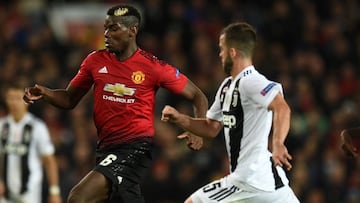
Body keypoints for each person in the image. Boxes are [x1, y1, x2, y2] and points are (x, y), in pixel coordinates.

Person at [23, 4, 208, 203]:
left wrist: (198, 128)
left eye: (113, 29)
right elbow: (69, 99)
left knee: (78, 198)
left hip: (134, 149)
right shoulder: (94, 61)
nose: (106, 34)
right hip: (105, 149)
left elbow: (198, 96)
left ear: (132, 31)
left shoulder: (153, 66)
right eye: (105, 28)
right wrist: (45, 93)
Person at [161, 22, 299, 203]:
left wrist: (278, 143)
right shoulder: (227, 86)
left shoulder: (251, 81)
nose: (220, 54)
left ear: (233, 52)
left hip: (249, 179)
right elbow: (211, 128)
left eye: (222, 49)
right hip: (270, 183)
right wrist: (180, 119)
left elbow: (282, 108)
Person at [0, 82, 62, 203]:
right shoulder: (2, 126)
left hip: (30, 194)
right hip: (5, 194)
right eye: (10, 98)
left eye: (17, 98)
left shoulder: (37, 127)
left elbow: (49, 160)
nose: (14, 103)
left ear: (26, 100)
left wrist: (54, 191)